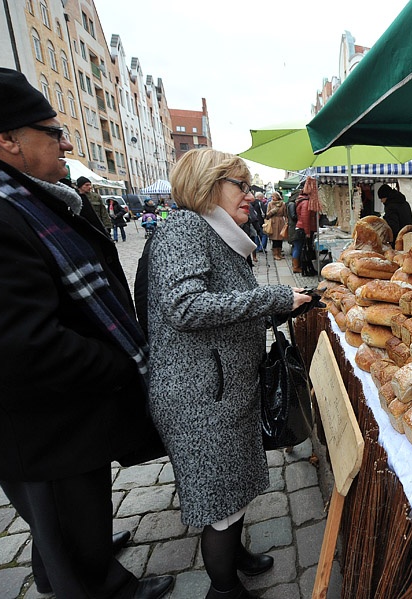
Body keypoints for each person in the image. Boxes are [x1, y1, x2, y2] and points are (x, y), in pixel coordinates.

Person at [0, 65, 173, 599]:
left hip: (52, 411)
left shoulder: (11, 193)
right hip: (39, 420)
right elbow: (22, 344)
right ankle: (99, 584)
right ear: (7, 138)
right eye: (51, 132)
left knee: (66, 515)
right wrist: (118, 366)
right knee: (60, 507)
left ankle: (75, 552)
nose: (65, 142)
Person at [145, 148, 311, 599]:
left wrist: (283, 306)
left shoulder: (221, 236)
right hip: (199, 392)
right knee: (220, 499)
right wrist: (272, 301)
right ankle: (222, 588)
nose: (251, 195)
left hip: (223, 387)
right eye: (241, 184)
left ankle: (234, 556)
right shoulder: (185, 229)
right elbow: (186, 307)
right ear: (208, 185)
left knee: (233, 487)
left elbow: (227, 310)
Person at [291, 191, 317, 274]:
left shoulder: (302, 201)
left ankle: (296, 266)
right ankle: (296, 267)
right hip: (303, 229)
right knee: (300, 248)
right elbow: (305, 218)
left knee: (298, 247)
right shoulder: (306, 203)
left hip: (301, 228)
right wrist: (307, 232)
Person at [265, 191, 288, 260]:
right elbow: (267, 214)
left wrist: (286, 222)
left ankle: (279, 253)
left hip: (281, 222)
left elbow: (285, 214)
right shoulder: (270, 204)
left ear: (277, 197)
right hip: (273, 222)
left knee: (280, 239)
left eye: (273, 196)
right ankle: (275, 254)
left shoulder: (283, 204)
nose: (272, 198)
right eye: (272, 196)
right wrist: (272, 211)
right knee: (275, 239)